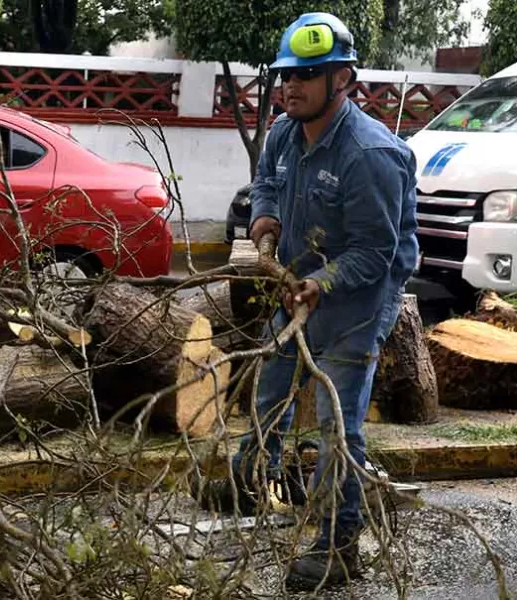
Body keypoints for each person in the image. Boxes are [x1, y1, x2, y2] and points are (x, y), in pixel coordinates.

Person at [216, 12, 420, 592]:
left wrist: (321, 284)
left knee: (337, 424)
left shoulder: (370, 155)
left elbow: (377, 252)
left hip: (357, 303)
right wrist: (264, 227)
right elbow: (268, 185)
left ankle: (338, 545)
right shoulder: (283, 130)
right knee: (272, 385)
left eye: (308, 75)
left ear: (343, 79)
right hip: (296, 282)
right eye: (287, 75)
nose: (291, 86)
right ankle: (250, 479)